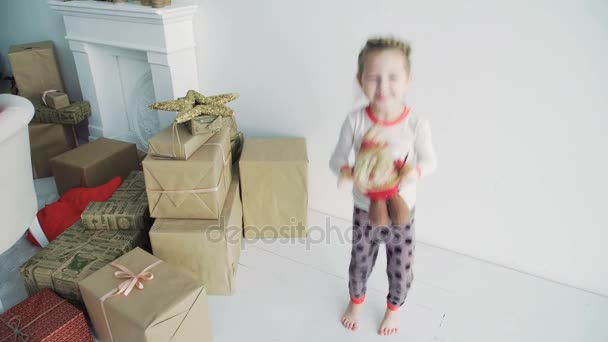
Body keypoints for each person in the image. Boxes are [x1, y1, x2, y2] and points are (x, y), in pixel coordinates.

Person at [329, 37, 437, 336]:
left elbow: (430, 161)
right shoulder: (356, 121)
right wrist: (349, 171)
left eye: (393, 77)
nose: (383, 86)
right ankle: (356, 301)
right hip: (365, 208)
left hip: (403, 211)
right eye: (373, 77)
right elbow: (336, 158)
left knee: (400, 264)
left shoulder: (415, 124)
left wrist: (412, 171)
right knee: (360, 260)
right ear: (360, 80)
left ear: (408, 80)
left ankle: (393, 308)